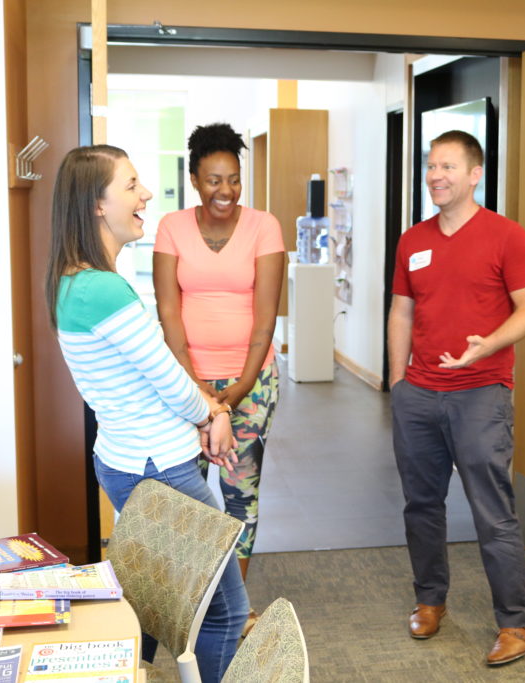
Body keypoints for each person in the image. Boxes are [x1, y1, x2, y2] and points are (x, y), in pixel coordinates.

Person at [46, 144, 248, 683]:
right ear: (96, 204)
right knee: (223, 608)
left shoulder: (76, 281)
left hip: (129, 459)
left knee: (161, 602)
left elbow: (152, 377)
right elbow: (168, 381)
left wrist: (205, 411)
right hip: (160, 467)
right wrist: (211, 415)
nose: (145, 195)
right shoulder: (102, 289)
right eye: (132, 184)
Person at [388, 130, 525, 666]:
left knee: (491, 511)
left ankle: (517, 622)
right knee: (421, 505)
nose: (436, 175)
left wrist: (486, 348)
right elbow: (401, 313)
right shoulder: (413, 240)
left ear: (475, 175)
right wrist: (396, 382)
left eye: (448, 166)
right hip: (419, 395)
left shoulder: (507, 237)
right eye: (431, 166)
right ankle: (429, 600)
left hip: (481, 394)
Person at [153, 123, 285, 631]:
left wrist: (239, 388)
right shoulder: (172, 227)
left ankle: (235, 607)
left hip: (250, 381)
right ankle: (188, 602)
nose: (225, 190)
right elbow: (168, 311)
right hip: (185, 382)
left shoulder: (263, 226)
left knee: (239, 491)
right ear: (193, 179)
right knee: (185, 492)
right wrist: (196, 389)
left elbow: (266, 318)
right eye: (213, 179)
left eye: (233, 179)